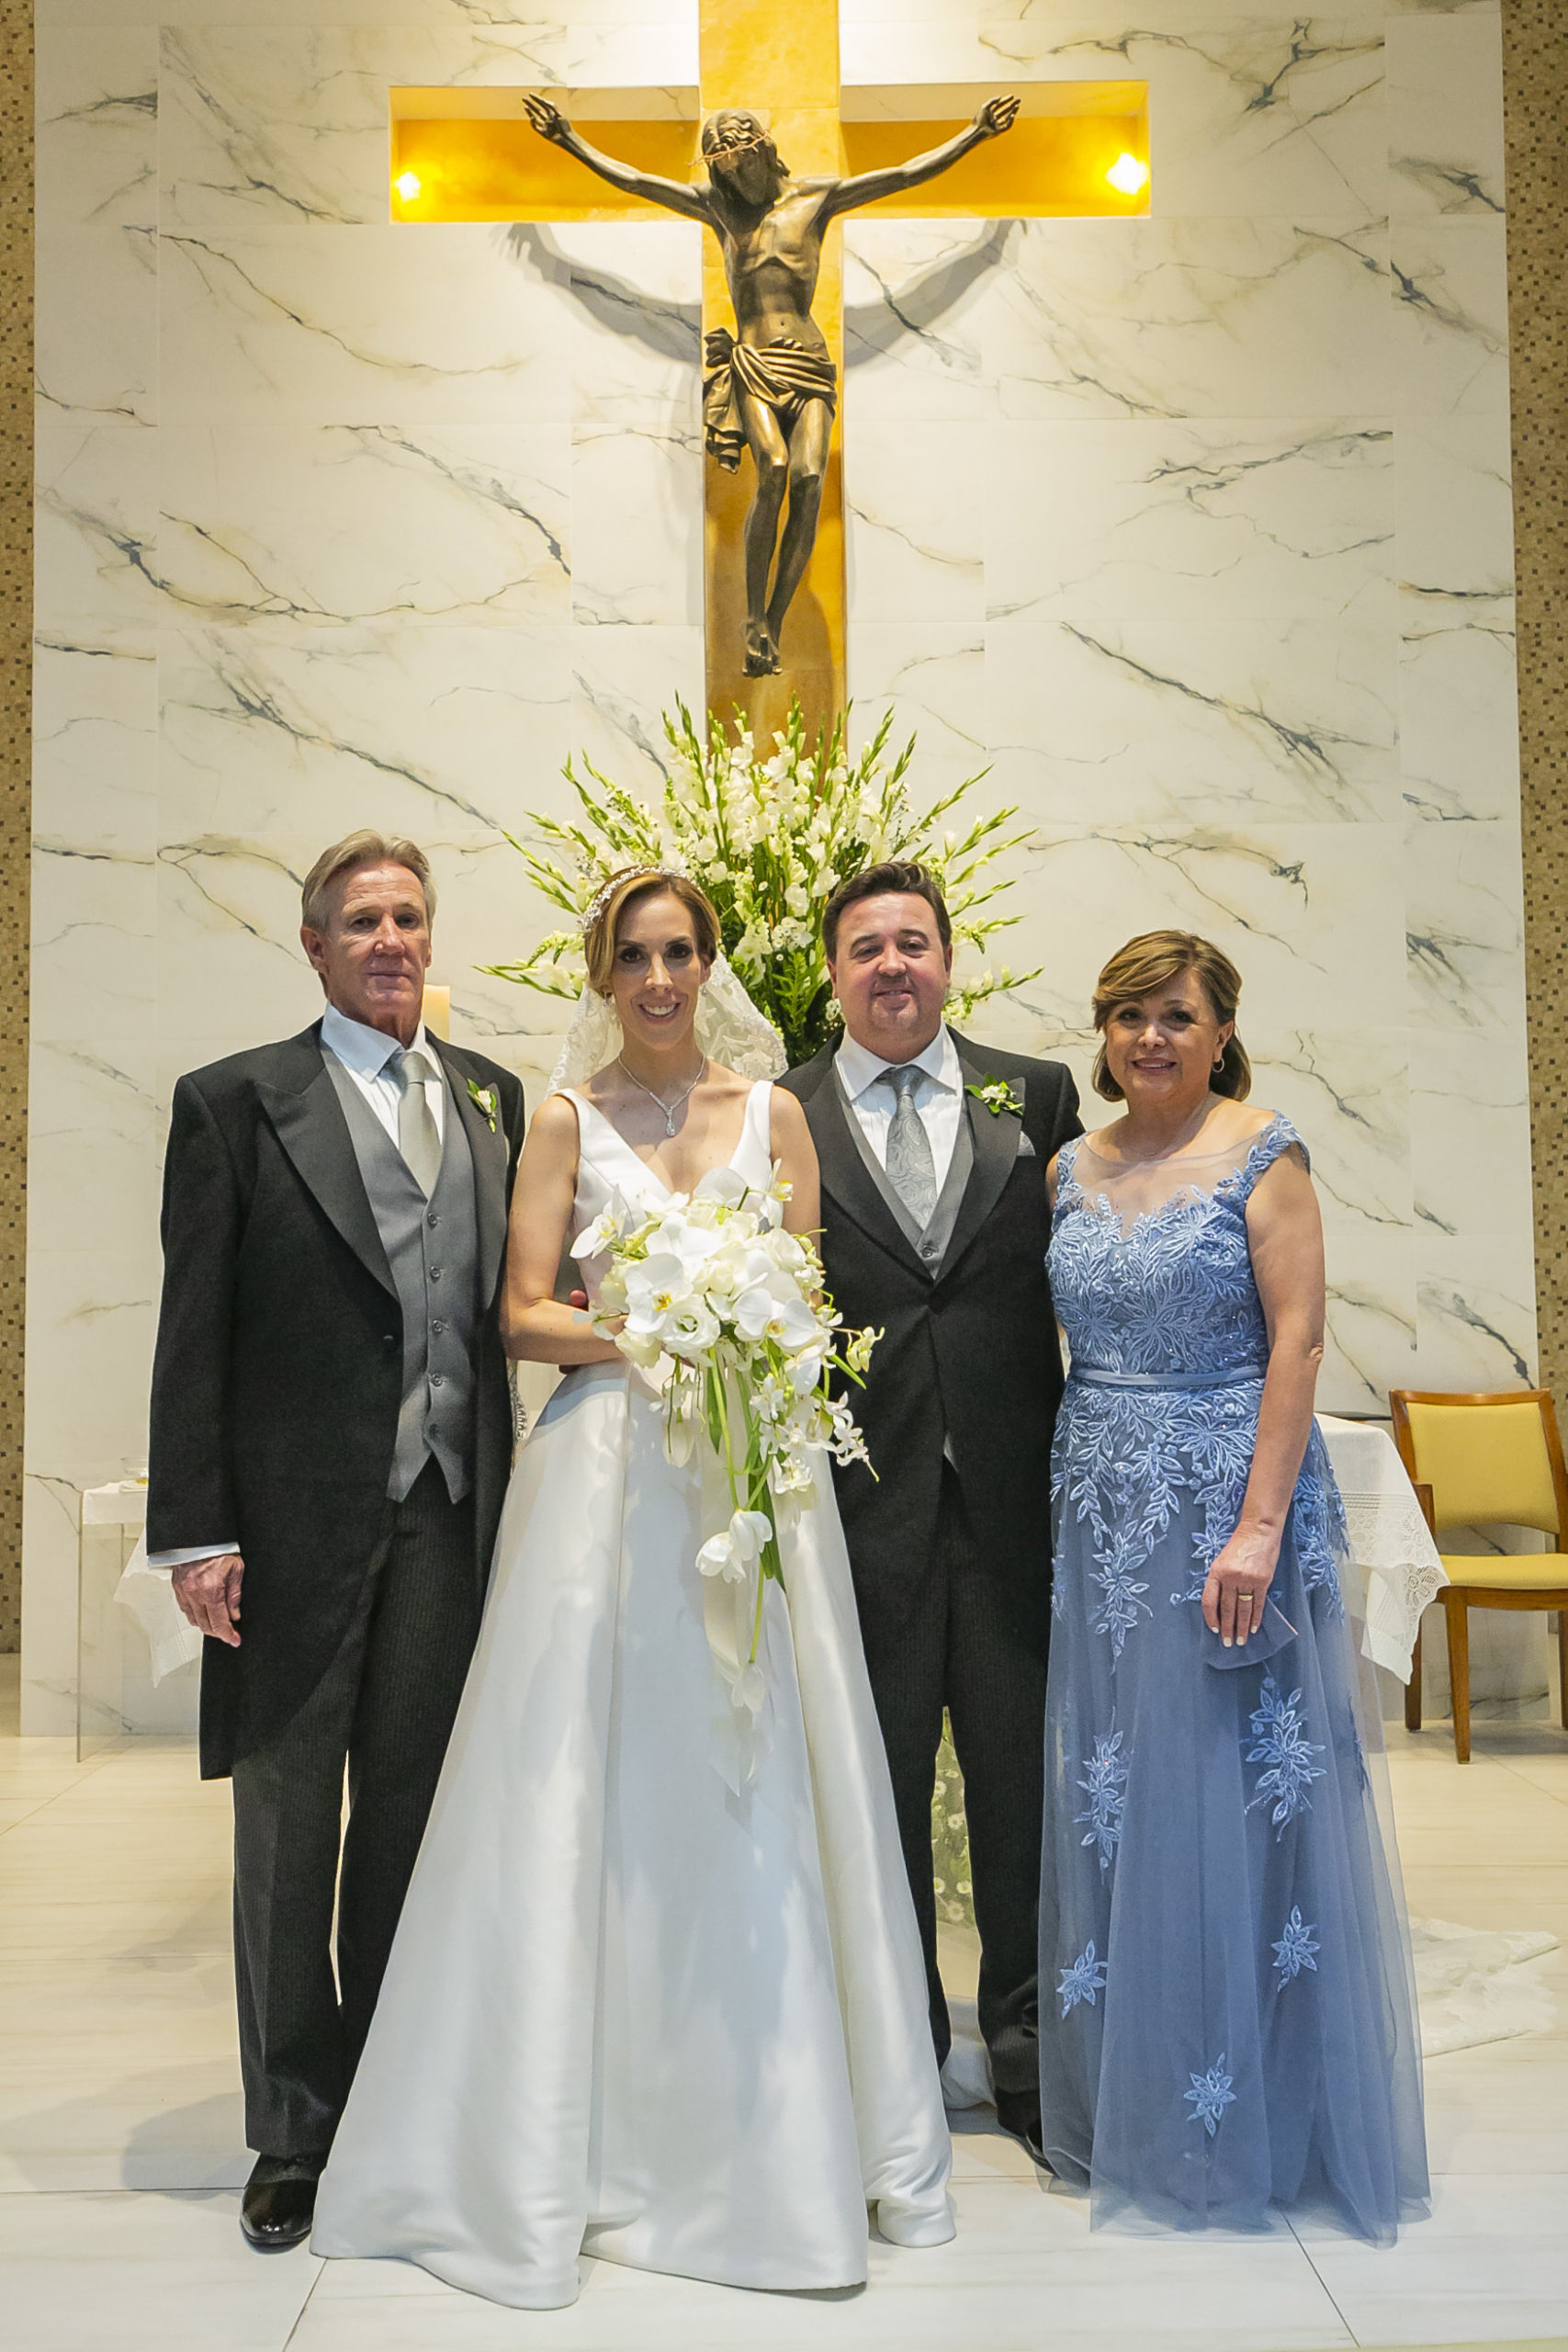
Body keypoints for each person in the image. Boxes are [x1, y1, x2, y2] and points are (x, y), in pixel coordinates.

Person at [312, 869, 954, 2309]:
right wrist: (653, 1330)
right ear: (599, 975)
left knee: (758, 1771)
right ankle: (565, 2125)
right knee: (586, 1781)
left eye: (678, 952)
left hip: (747, 1476)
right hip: (604, 1480)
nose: (657, 978)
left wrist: (745, 1327)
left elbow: (804, 1287)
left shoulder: (772, 1114)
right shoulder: (562, 1121)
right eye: (631, 957)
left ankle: (773, 2122)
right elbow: (524, 1308)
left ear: (710, 962)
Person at [144, 831, 526, 2252]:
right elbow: (195, 1336)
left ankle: (391, 2093)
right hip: (289, 1530)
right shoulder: (236, 1103)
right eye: (360, 921)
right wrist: (193, 1531)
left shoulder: (491, 1096)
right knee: (291, 1833)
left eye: (409, 919)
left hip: (446, 1517)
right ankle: (293, 2129)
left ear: (433, 939)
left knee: (411, 1826)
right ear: (313, 948)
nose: (388, 941)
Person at [1039, 930, 1428, 2238]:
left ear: (1218, 1031)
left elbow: (1296, 1340)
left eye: (1174, 1014)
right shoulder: (1064, 1170)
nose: (1149, 1036)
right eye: (1127, 1015)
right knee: (1120, 1800)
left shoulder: (1264, 1153)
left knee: (1228, 1797)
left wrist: (1255, 1528)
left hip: (1223, 1513)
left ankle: (1250, 2111)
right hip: (1100, 1520)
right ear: (1100, 1035)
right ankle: (1133, 2103)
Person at [779, 861, 1082, 2160]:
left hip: (1015, 1504)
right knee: (880, 1782)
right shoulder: (780, 1108)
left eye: (911, 942)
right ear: (833, 973)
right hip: (860, 1507)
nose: (890, 966)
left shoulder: (1038, 1093)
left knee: (1018, 1788)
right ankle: (897, 2042)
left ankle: (1021, 2047)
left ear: (949, 961)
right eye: (864, 948)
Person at [523, 91, 1019, 675]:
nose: (731, 156)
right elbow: (634, 182)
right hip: (755, 365)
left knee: (809, 479)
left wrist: (976, 131)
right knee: (776, 469)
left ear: (764, 150)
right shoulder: (719, 210)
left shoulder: (816, 199)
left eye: (739, 142)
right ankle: (753, 613)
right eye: (720, 150)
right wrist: (568, 140)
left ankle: (772, 623)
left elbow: (906, 175)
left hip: (809, 364)